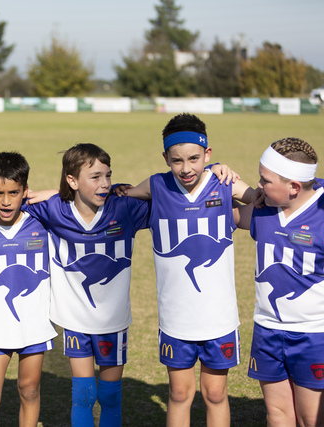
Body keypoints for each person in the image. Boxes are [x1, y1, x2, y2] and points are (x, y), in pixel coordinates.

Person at [0, 143, 151, 426]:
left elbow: (169, 198)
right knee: (84, 396)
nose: (104, 183)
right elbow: (6, 203)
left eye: (107, 176)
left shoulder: (123, 208)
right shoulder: (52, 210)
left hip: (114, 320)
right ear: (72, 181)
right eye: (96, 177)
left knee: (110, 396)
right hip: (73, 321)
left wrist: (212, 175)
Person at [114, 113, 256, 427]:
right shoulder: (156, 184)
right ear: (165, 157)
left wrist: (230, 172)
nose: (186, 168)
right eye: (176, 160)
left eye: (194, 158)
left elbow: (260, 200)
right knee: (179, 394)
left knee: (216, 394)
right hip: (176, 317)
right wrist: (53, 195)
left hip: (218, 316)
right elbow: (116, 193)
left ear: (207, 154)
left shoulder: (222, 182)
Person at [235, 138, 324, 427]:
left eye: (265, 180)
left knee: (311, 418)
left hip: (313, 335)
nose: (257, 186)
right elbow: (225, 211)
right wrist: (218, 171)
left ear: (294, 187)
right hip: (268, 329)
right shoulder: (265, 207)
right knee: (278, 415)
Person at [0, 152, 57, 427]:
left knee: (29, 390)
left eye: (14, 193)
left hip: (35, 325)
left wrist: (53, 193)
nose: (6, 201)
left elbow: (70, 198)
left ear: (26, 191)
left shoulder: (42, 221)